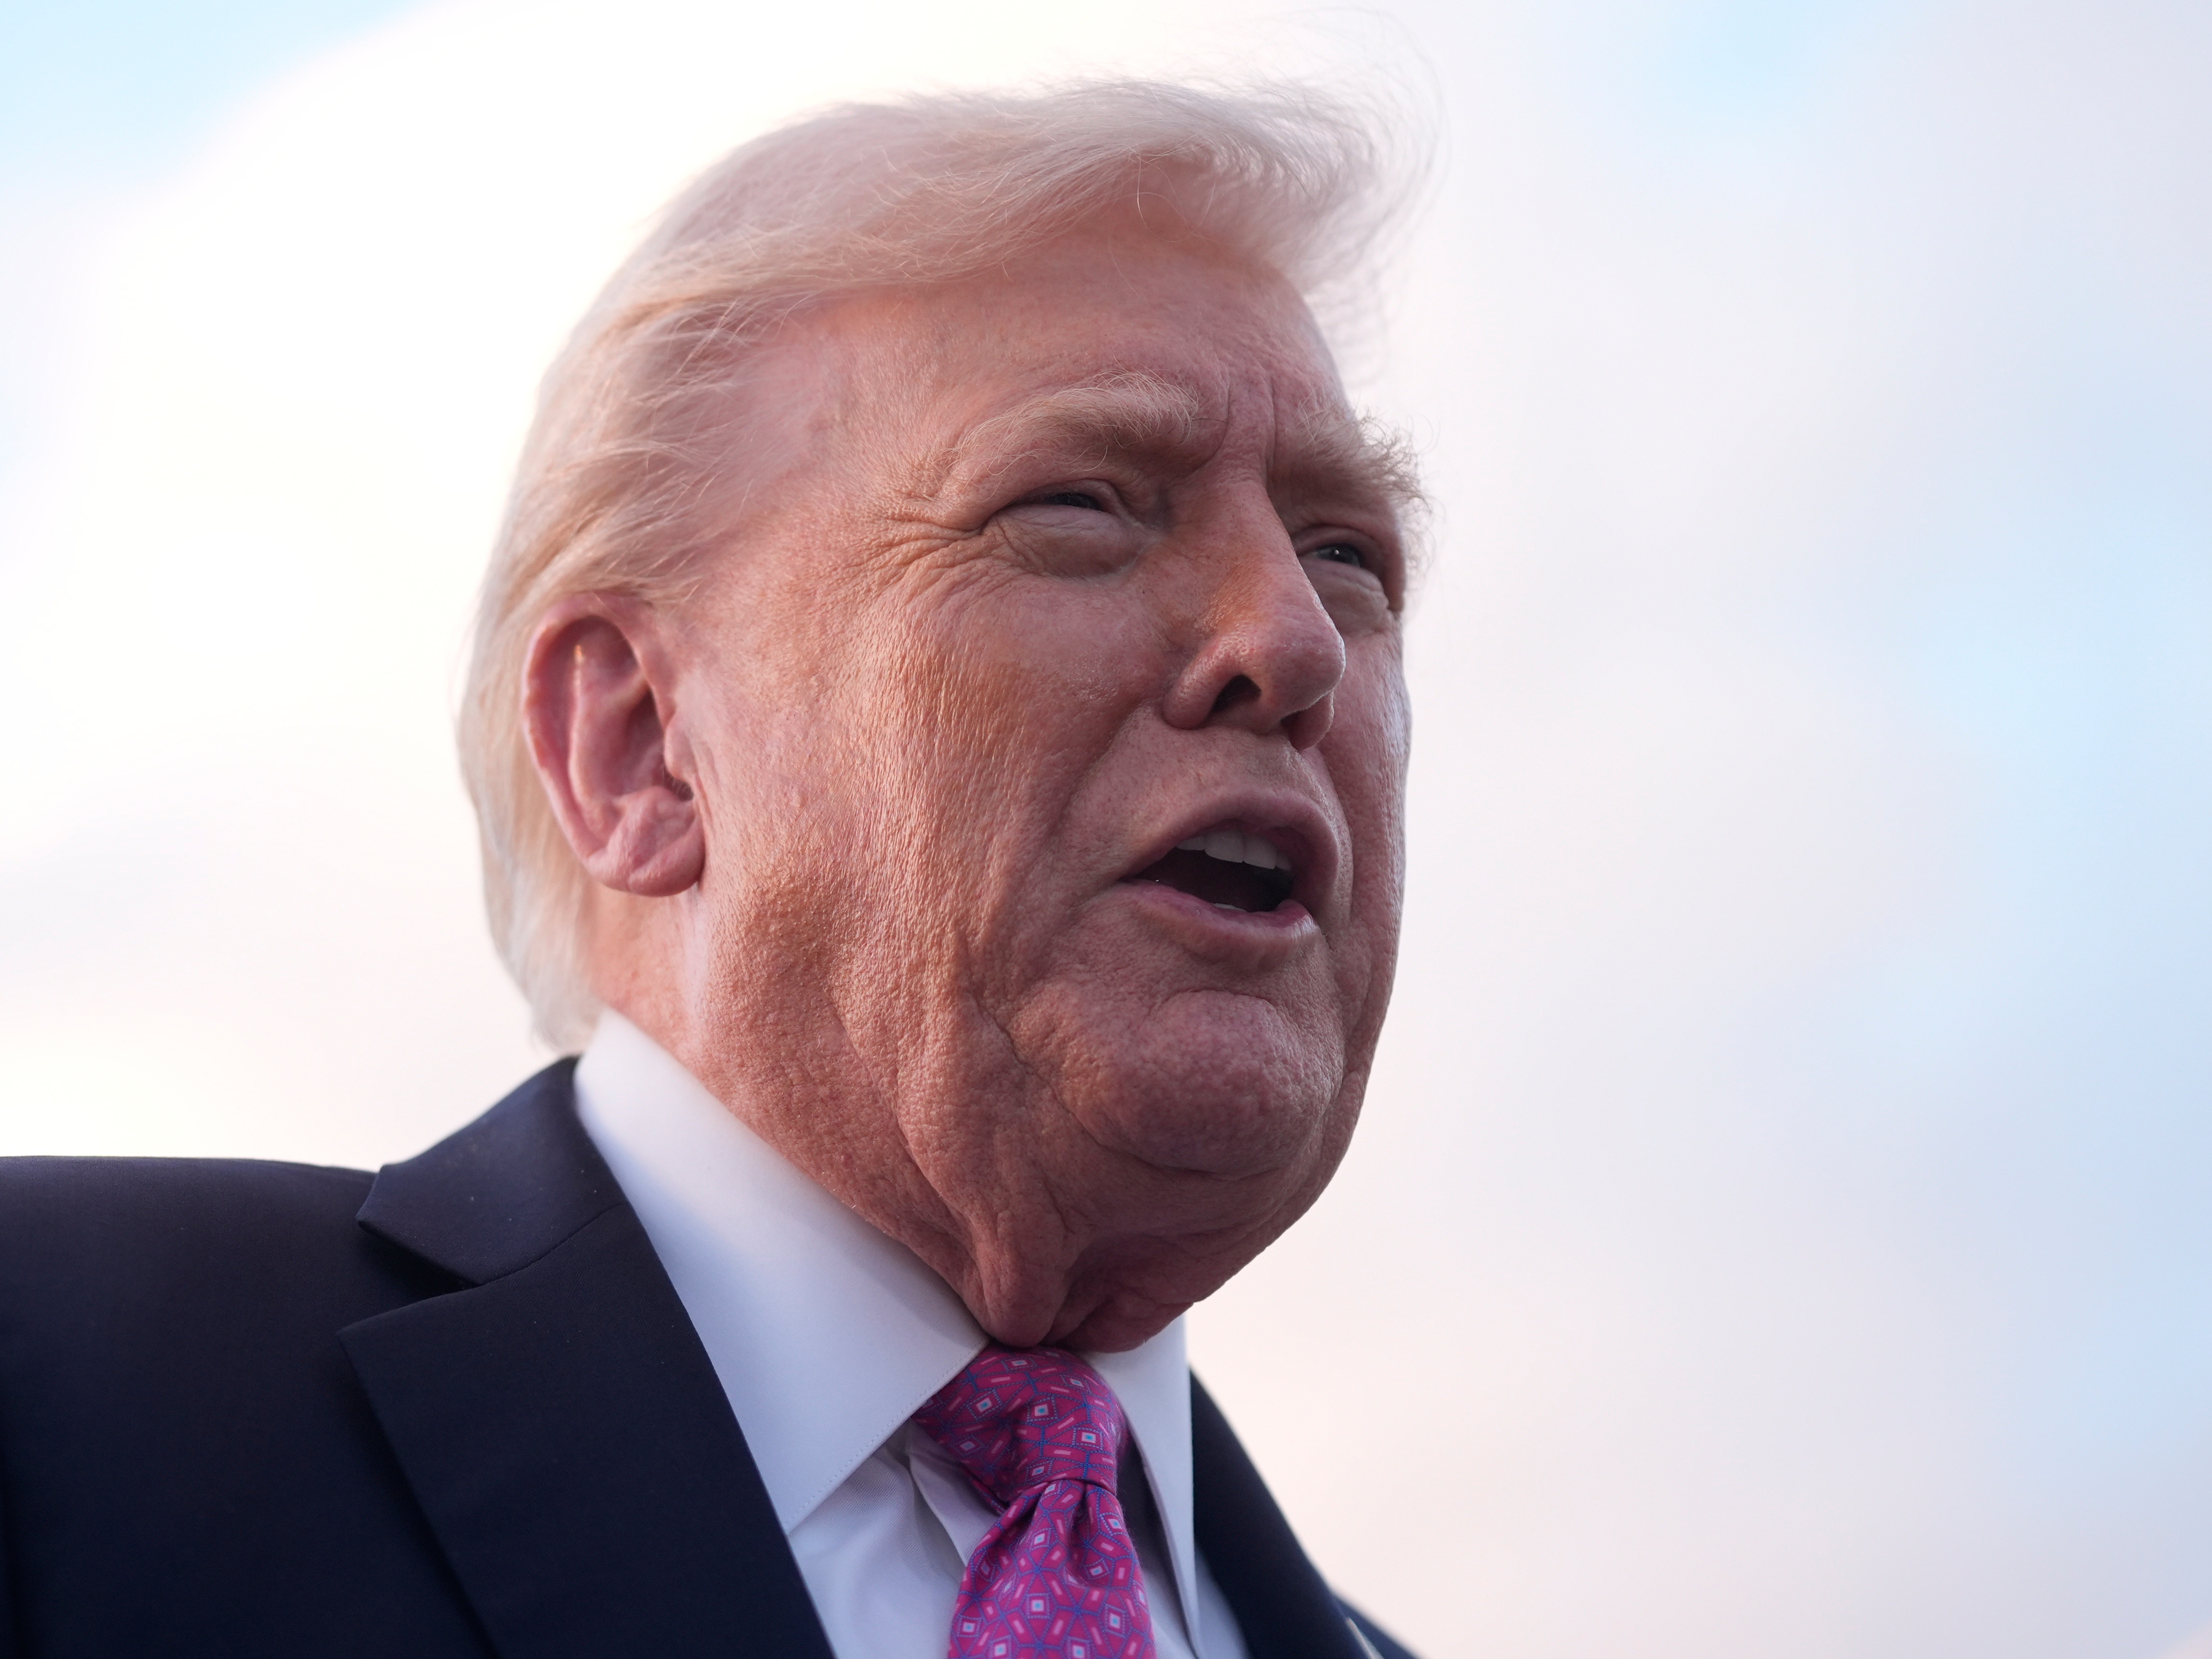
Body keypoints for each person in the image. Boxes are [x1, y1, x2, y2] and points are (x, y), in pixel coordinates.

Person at [0, 81, 1424, 1659]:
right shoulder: (56, 1388)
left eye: (1349, 552)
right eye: (1080, 503)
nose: (1292, 640)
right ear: (639, 747)